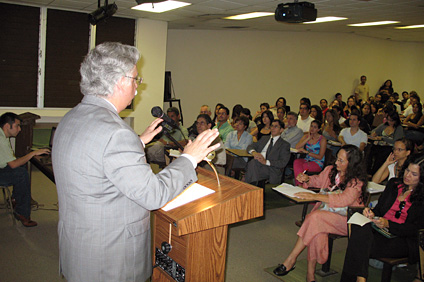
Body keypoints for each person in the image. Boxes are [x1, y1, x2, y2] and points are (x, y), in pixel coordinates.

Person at [51, 42, 220, 282]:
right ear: (120, 81)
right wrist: (189, 158)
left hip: (80, 246)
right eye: (135, 80)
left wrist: (137, 142)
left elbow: (93, 157)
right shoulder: (115, 133)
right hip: (111, 259)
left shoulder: (72, 117)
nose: (137, 87)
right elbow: (153, 195)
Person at [273, 145, 367, 282]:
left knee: (315, 217)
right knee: (317, 227)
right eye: (337, 159)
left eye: (341, 161)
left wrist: (315, 197)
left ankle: (291, 259)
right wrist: (307, 179)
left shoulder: (356, 181)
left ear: (351, 163)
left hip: (347, 220)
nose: (336, 162)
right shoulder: (330, 170)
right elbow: (317, 180)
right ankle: (309, 274)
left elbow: (343, 200)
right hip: (325, 215)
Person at [341, 153, 424, 282]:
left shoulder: (421, 197)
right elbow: (380, 209)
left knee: (358, 243)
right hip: (380, 230)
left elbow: (415, 229)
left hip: (402, 239)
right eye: (407, 170)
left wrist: (389, 224)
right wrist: (372, 213)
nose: (407, 176)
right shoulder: (394, 184)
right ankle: (360, 278)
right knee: (359, 228)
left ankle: (359, 279)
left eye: (414, 174)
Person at [0, 113, 50, 227]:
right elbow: (12, 164)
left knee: (21, 165)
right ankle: (22, 213)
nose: (20, 129)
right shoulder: (1, 139)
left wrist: (33, 154)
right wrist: (33, 153)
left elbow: (12, 161)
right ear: (8, 126)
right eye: (17, 126)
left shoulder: (3, 135)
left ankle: (15, 198)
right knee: (21, 174)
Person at [245, 120, 290, 185]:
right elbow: (250, 146)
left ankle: (250, 186)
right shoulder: (264, 138)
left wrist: (266, 162)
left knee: (252, 165)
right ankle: (254, 187)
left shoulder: (284, 145)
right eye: (272, 126)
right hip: (257, 165)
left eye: (276, 126)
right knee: (254, 164)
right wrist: (254, 152)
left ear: (281, 130)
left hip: (271, 168)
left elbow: (283, 163)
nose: (273, 128)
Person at [293, 120, 327, 185]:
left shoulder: (322, 139)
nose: (312, 128)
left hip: (317, 162)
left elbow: (320, 157)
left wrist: (307, 152)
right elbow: (297, 147)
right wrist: (308, 139)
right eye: (311, 126)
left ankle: (300, 184)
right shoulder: (306, 136)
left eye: (315, 127)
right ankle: (299, 184)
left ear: (318, 129)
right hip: (307, 160)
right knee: (296, 162)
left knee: (303, 166)